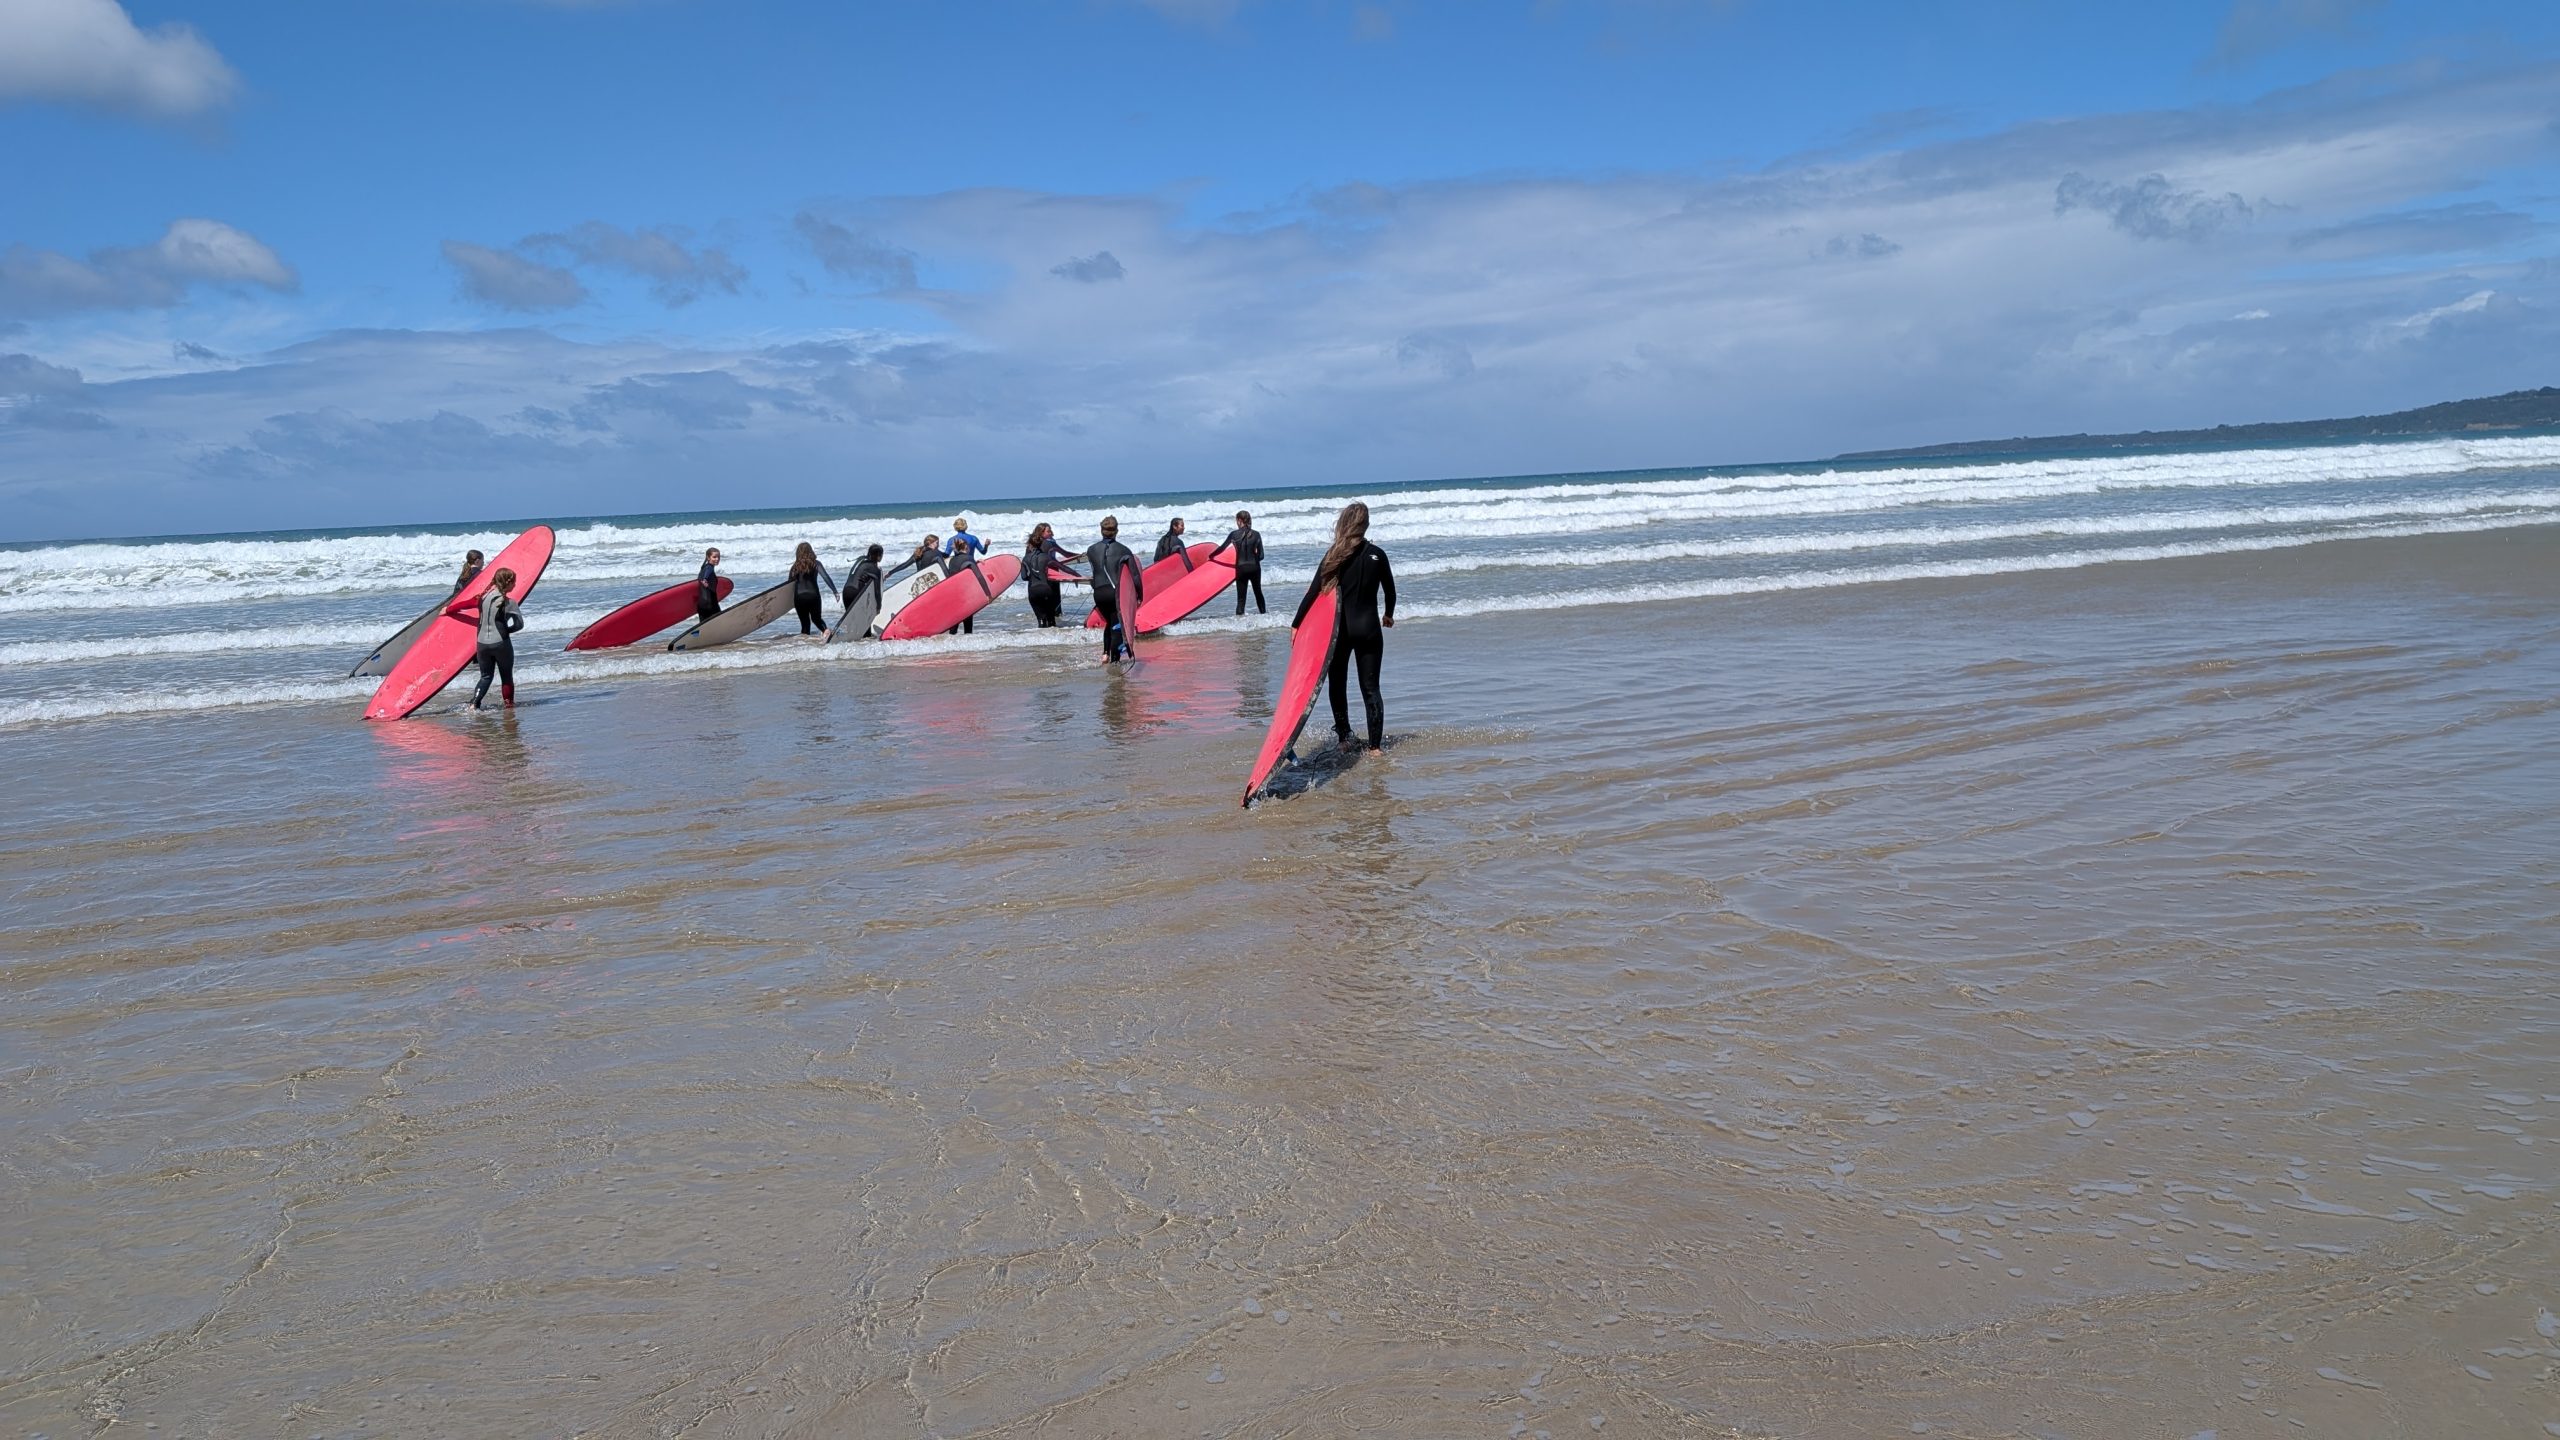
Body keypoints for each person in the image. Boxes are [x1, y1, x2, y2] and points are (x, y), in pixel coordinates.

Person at [1292, 501, 1395, 753]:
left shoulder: (1334, 555)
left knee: (1337, 684)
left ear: (1344, 523)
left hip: (1340, 632)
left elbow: (1313, 592)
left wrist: (1296, 624)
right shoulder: (1378, 554)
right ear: (1365, 524)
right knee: (1371, 688)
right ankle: (1375, 748)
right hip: (1369, 629)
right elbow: (1390, 591)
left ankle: (1344, 739)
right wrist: (1388, 615)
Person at [456, 566, 525, 710]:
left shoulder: (482, 598)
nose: (515, 585)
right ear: (508, 582)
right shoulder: (509, 602)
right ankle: (509, 706)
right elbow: (519, 625)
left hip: (481, 644)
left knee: (486, 677)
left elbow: (466, 604)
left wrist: (449, 609)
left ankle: (474, 703)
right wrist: (507, 631)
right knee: (506, 677)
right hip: (500, 643)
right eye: (514, 582)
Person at [1082, 516, 1142, 662]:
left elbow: (1095, 571)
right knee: (1116, 625)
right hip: (1114, 592)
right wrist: (1140, 595)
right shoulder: (1124, 550)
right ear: (1117, 531)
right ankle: (1115, 661)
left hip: (1099, 593)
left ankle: (1105, 654)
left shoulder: (1091, 550)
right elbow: (1135, 575)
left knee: (1109, 622)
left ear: (1101, 530)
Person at [1023, 523, 1083, 628]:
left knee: (1041, 614)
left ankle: (1042, 635)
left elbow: (1026, 570)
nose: (1051, 532)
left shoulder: (1029, 547)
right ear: (1041, 533)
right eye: (1048, 531)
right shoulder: (1050, 543)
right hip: (1052, 576)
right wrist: (1079, 558)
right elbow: (1066, 554)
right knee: (1054, 609)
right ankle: (1055, 628)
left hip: (1034, 582)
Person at [1208, 510, 1264, 615]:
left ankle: (1239, 622)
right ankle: (1265, 617)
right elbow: (1261, 556)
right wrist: (1253, 560)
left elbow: (1222, 548)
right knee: (1258, 594)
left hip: (1241, 568)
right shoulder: (1256, 534)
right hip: (1255, 568)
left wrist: (1211, 556)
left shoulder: (1234, 534)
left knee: (1241, 599)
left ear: (1239, 520)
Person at [788, 542, 838, 636]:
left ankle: (805, 644)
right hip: (813, 596)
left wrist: (787, 601)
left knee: (805, 624)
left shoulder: (795, 567)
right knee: (817, 619)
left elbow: (789, 584)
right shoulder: (816, 564)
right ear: (810, 551)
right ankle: (826, 632)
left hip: (799, 598)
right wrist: (835, 591)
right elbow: (825, 577)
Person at [843, 543, 886, 628]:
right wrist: (878, 607)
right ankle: (867, 636)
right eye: (881, 554)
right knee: (864, 622)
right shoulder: (875, 569)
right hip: (855, 592)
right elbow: (877, 591)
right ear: (878, 556)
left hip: (846, 591)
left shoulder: (861, 561)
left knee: (850, 620)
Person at [694, 547, 724, 621]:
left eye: (718, 557)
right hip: (710, 605)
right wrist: (705, 580)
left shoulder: (704, 568)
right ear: (708, 557)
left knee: (704, 627)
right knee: (719, 624)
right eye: (714, 557)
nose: (717, 559)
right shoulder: (709, 568)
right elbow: (706, 576)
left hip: (702, 605)